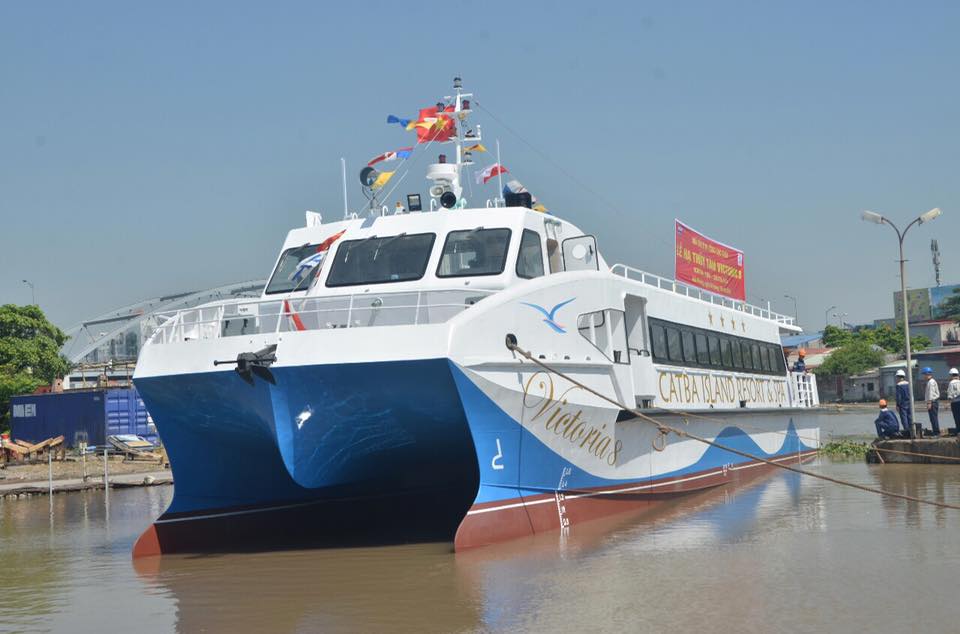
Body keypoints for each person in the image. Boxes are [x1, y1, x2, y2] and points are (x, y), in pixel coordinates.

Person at [894, 368, 913, 436]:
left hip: (903, 404)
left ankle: (907, 432)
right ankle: (912, 431)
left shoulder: (898, 385)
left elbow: (898, 396)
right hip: (910, 402)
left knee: (904, 418)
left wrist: (897, 405)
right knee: (910, 417)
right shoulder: (908, 383)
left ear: (898, 377)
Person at [923, 367, 941, 436]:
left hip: (933, 402)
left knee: (933, 418)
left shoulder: (931, 382)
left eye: (924, 374)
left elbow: (931, 393)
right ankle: (935, 432)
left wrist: (929, 402)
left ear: (927, 374)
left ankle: (936, 433)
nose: (924, 376)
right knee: (933, 418)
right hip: (933, 402)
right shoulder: (931, 381)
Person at [948, 368, 960, 434]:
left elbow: (950, 395)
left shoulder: (951, 383)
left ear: (951, 375)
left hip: (954, 403)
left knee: (956, 417)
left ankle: (958, 431)